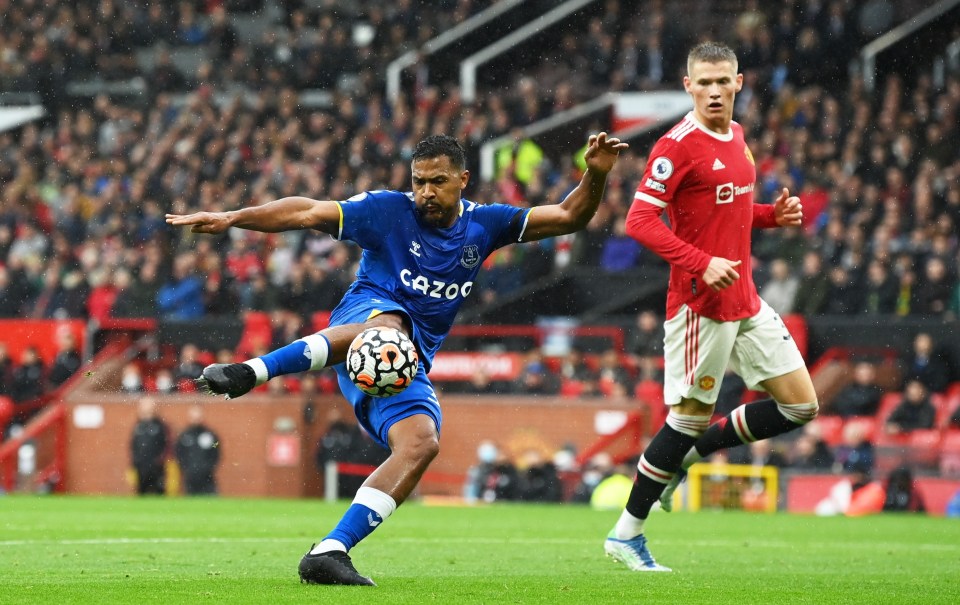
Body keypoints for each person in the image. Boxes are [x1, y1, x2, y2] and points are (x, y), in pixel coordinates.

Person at [166, 132, 627, 585]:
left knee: (422, 443)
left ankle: (331, 549)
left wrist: (596, 174)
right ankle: (253, 371)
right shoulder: (387, 211)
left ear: (463, 179)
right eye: (419, 180)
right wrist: (234, 217)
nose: (425, 191)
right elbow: (307, 210)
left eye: (438, 181)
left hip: (404, 363)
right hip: (363, 321)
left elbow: (568, 216)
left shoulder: (485, 225)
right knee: (388, 328)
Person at [605, 42, 818, 573]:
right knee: (687, 418)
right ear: (688, 86)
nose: (715, 91)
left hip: (744, 297)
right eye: (704, 83)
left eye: (723, 81)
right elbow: (640, 221)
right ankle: (625, 534)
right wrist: (700, 263)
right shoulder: (675, 146)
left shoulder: (738, 136)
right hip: (702, 305)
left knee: (800, 406)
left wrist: (773, 215)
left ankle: (691, 458)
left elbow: (732, 210)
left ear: (739, 83)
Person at [174, 405, 221, 495]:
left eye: (198, 416)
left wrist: (207, 467)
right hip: (190, 476)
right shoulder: (184, 436)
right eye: (194, 416)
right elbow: (179, 453)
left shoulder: (210, 435)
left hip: (207, 476)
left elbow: (216, 450)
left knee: (210, 502)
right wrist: (186, 468)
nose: (196, 418)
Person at [129, 396, 169, 495]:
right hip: (141, 466)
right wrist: (135, 460)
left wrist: (159, 460)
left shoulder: (160, 425)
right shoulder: (138, 426)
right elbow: (133, 445)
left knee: (159, 492)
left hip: (157, 467)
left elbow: (167, 444)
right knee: (141, 492)